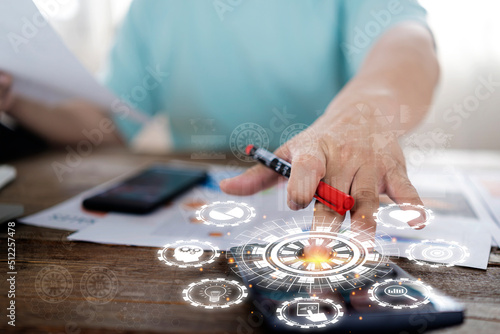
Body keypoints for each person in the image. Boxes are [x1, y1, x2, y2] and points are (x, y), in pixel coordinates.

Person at [0, 0, 439, 241]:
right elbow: (107, 125)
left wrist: (357, 117)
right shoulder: (152, 9)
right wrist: (14, 99)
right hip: (197, 214)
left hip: (323, 200)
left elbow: (408, 44)